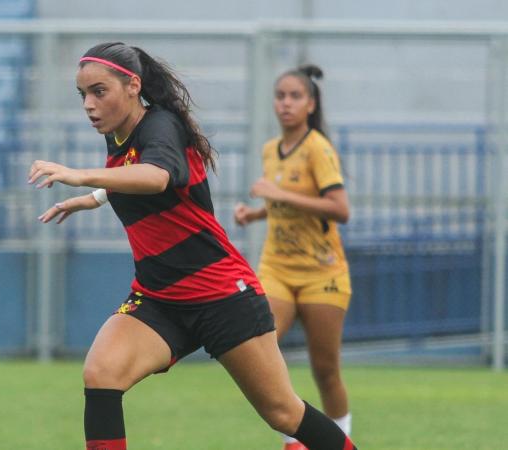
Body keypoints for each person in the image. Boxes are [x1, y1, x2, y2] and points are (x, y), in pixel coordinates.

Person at [29, 42, 357, 450]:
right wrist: (95, 196)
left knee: (283, 413)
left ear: (133, 86)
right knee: (101, 373)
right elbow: (140, 175)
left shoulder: (160, 124)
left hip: (219, 292)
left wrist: (80, 176)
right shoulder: (120, 136)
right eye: (83, 95)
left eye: (99, 91)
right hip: (159, 296)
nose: (89, 105)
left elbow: (159, 177)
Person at [234, 65, 353, 450]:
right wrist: (256, 213)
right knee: (262, 349)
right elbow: (284, 200)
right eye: (280, 95)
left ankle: (340, 442)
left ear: (311, 104)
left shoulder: (318, 147)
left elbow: (339, 208)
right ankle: (294, 438)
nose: (286, 103)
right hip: (277, 269)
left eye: (295, 96)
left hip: (322, 274)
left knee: (325, 369)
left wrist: (279, 195)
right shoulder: (271, 149)